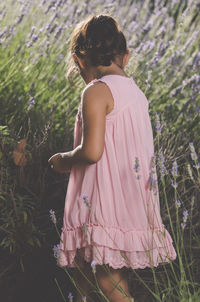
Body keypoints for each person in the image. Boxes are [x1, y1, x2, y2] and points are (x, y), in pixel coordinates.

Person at [48, 14, 177, 302]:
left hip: (104, 202)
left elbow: (92, 151)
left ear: (80, 59)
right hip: (129, 198)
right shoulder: (136, 93)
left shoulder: (96, 91)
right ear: (126, 56)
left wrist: (63, 160)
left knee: (108, 279)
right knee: (85, 274)